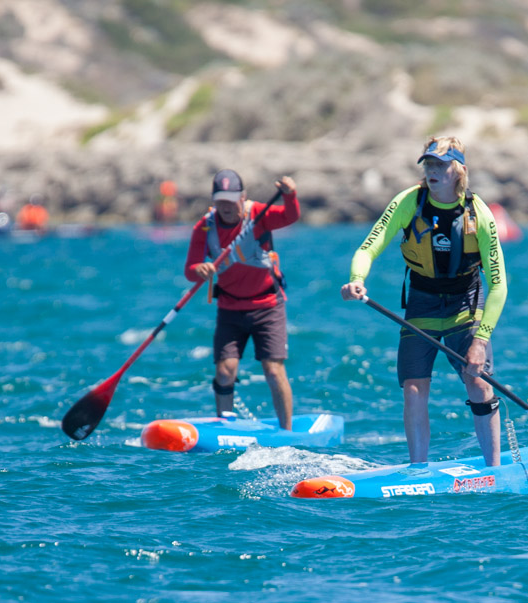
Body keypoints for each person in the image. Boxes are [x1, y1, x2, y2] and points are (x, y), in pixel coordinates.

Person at [341, 136, 510, 466]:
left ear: (458, 170)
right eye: (428, 164)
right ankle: (418, 469)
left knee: (478, 382)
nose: (432, 171)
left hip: (466, 305)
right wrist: (357, 280)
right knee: (414, 390)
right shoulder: (409, 202)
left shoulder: (479, 214)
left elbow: (499, 286)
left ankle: (495, 468)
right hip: (422, 305)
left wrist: (481, 340)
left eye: (441, 165)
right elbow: (368, 247)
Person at [184, 169, 299, 429]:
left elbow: (290, 216)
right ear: (213, 201)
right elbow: (190, 270)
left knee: (273, 370)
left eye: (231, 199)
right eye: (220, 201)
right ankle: (224, 426)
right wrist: (199, 270)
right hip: (230, 308)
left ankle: (287, 430)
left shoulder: (259, 213)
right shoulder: (204, 226)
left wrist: (290, 195)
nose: (226, 206)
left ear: (243, 197)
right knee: (225, 371)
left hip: (267, 306)